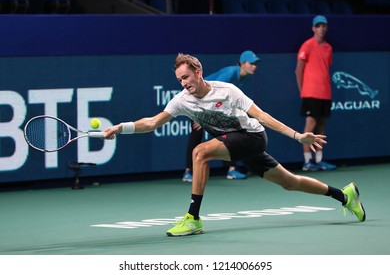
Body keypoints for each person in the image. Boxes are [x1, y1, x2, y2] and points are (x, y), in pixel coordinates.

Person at [103, 53, 366, 237]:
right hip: (236, 144)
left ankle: (193, 218)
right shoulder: (182, 100)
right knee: (289, 182)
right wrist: (120, 128)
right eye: (179, 80)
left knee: (200, 151)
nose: (184, 83)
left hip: (252, 137)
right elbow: (151, 122)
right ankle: (344, 195)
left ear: (198, 71)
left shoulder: (227, 90)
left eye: (186, 77)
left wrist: (298, 136)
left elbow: (261, 116)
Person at [183, 50, 260, 182]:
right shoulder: (231, 73)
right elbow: (208, 90)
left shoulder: (242, 76)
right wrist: (200, 114)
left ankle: (231, 168)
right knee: (196, 134)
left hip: (211, 105)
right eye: (251, 63)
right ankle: (188, 172)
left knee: (227, 135)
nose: (254, 66)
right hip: (196, 100)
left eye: (256, 64)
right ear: (242, 63)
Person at [295, 15, 337, 172]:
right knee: (310, 126)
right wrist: (303, 92)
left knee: (321, 126)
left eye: (323, 26)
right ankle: (307, 162)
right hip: (310, 93)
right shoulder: (307, 45)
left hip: (325, 93)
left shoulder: (328, 48)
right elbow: (298, 70)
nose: (321, 29)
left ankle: (319, 160)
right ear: (313, 28)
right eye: (318, 26)